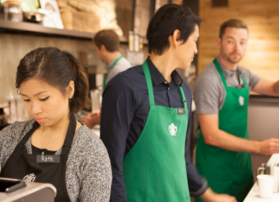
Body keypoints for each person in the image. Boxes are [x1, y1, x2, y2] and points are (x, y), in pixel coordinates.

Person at [100, 4, 236, 202]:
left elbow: (183, 158)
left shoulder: (184, 91)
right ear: (176, 37)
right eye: (194, 41)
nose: (196, 50)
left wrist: (209, 195)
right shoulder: (124, 88)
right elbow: (110, 166)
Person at [0, 47, 112, 202]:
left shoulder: (91, 152)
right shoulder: (11, 136)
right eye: (26, 99)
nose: (34, 109)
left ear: (69, 89)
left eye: (43, 98)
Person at [194, 19, 279, 202]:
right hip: (216, 172)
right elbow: (211, 135)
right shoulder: (209, 80)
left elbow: (273, 88)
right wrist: (259, 146)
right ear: (219, 42)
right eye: (231, 41)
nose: (237, 48)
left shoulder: (243, 74)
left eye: (242, 42)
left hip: (240, 166)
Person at [82, 29, 131, 129]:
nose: (97, 54)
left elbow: (113, 110)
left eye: (96, 49)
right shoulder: (122, 64)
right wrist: (101, 112)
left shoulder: (117, 71)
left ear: (103, 48)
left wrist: (90, 121)